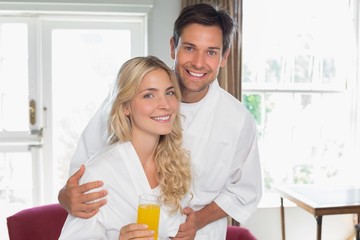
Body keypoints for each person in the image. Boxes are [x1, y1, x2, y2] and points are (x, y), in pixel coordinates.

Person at [58, 3, 263, 239]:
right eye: (189, 48)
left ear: (224, 57)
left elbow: (245, 191)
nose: (198, 62)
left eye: (211, 52)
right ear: (173, 47)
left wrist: (198, 220)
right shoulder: (125, 97)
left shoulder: (238, 120)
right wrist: (65, 196)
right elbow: (85, 174)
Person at [59, 56, 192, 239]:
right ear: (125, 107)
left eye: (169, 93)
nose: (165, 105)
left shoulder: (176, 166)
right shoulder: (98, 176)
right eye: (149, 95)